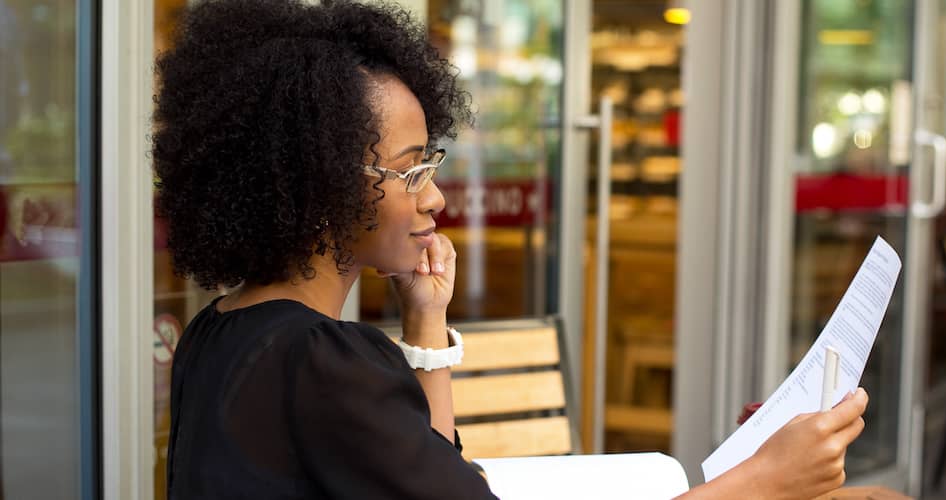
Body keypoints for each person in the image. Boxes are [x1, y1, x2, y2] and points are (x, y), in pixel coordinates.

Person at [153, 1, 870, 498]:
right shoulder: (322, 364)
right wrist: (764, 482)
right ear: (319, 188)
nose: (435, 198)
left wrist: (426, 324)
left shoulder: (219, 333)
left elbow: (434, 476)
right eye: (411, 171)